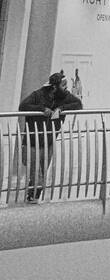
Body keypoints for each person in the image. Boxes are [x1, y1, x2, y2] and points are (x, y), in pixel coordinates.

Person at [18, 71, 83, 202]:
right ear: (54, 87)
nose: (66, 88)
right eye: (63, 85)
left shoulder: (64, 96)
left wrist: (61, 108)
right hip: (33, 142)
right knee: (38, 177)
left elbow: (78, 104)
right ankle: (32, 199)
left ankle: (32, 198)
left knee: (41, 174)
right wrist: (42, 109)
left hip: (49, 142)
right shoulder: (38, 94)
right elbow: (23, 106)